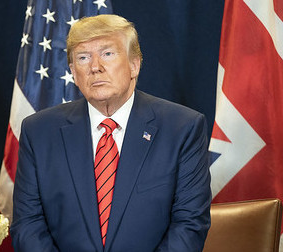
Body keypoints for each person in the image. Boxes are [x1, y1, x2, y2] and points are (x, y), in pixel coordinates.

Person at [11, 14, 211, 251]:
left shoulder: (183, 128)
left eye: (107, 53)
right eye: (83, 58)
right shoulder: (39, 132)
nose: (95, 67)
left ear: (134, 64)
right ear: (74, 72)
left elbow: (189, 225)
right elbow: (28, 225)